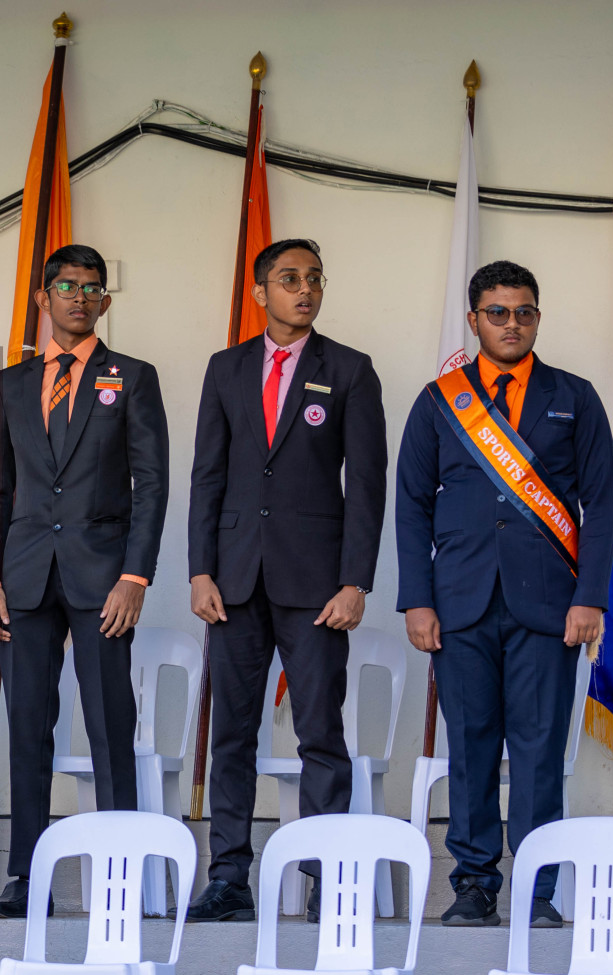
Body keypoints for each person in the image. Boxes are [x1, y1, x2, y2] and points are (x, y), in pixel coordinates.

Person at [396, 260, 613, 928]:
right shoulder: (441, 401)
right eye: (497, 312)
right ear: (474, 320)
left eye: (523, 311)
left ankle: (537, 889)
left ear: (537, 318)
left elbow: (602, 507)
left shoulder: (572, 396)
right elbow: (410, 505)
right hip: (459, 602)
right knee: (471, 744)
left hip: (549, 606)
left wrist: (590, 598)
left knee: (539, 745)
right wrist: (418, 599)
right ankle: (473, 885)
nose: (511, 323)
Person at [186, 239, 386, 924]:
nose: (306, 289)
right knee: (232, 735)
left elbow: (366, 486)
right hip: (234, 580)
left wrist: (355, 581)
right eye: (290, 278)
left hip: (317, 584)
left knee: (319, 734)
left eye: (315, 279)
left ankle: (327, 879)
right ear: (259, 291)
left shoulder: (351, 370)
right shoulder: (226, 367)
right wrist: (200, 569)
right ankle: (229, 878)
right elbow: (207, 475)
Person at [0, 244, 169, 918]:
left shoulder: (132, 377)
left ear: (105, 302)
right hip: (24, 578)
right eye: (66, 286)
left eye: (92, 289)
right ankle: (26, 876)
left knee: (110, 723)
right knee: (28, 725)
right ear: (43, 298)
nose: (79, 298)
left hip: (103, 579)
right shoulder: (13, 383)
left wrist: (135, 576)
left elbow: (153, 483)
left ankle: (119, 876)